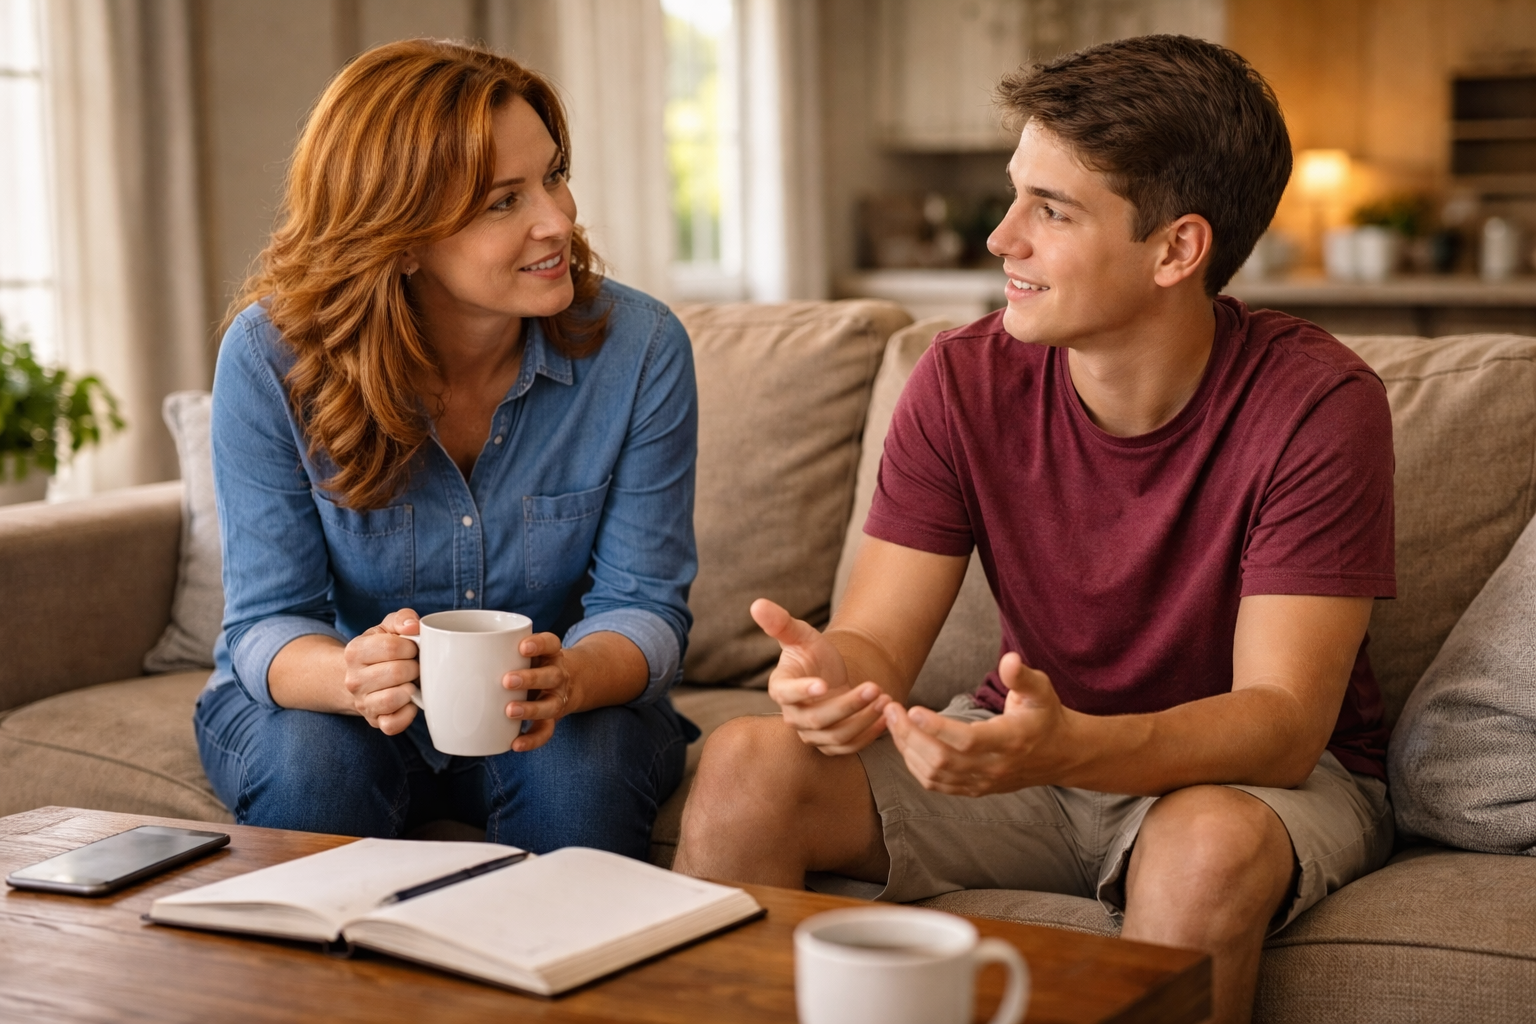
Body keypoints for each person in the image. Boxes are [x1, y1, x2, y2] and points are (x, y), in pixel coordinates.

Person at [675, 35, 1394, 1024]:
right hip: (1035, 760)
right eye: (1016, 194)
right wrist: (830, 678)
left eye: (1050, 211)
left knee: (1206, 847)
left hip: (1246, 784)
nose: (1000, 238)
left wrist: (1066, 748)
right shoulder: (962, 379)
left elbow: (1280, 723)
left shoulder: (1318, 402)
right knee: (746, 763)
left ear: (1177, 249)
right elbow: (878, 639)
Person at [195, 39, 699, 859]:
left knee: (582, 774)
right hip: (335, 706)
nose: (559, 219)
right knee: (313, 764)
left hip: (558, 711)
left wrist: (570, 678)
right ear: (397, 236)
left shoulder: (640, 349)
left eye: (554, 174)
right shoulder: (269, 358)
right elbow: (267, 621)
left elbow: (646, 606)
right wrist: (352, 677)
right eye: (505, 201)